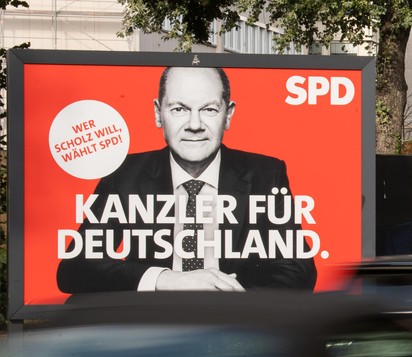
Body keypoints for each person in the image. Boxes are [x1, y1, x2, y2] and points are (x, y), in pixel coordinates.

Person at [56, 66, 317, 293]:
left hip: (235, 327)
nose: (195, 124)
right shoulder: (123, 174)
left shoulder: (265, 174)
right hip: (156, 328)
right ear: (159, 114)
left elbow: (298, 271)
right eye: (179, 108)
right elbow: (74, 268)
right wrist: (165, 279)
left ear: (228, 115)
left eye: (209, 109)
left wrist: (224, 294)